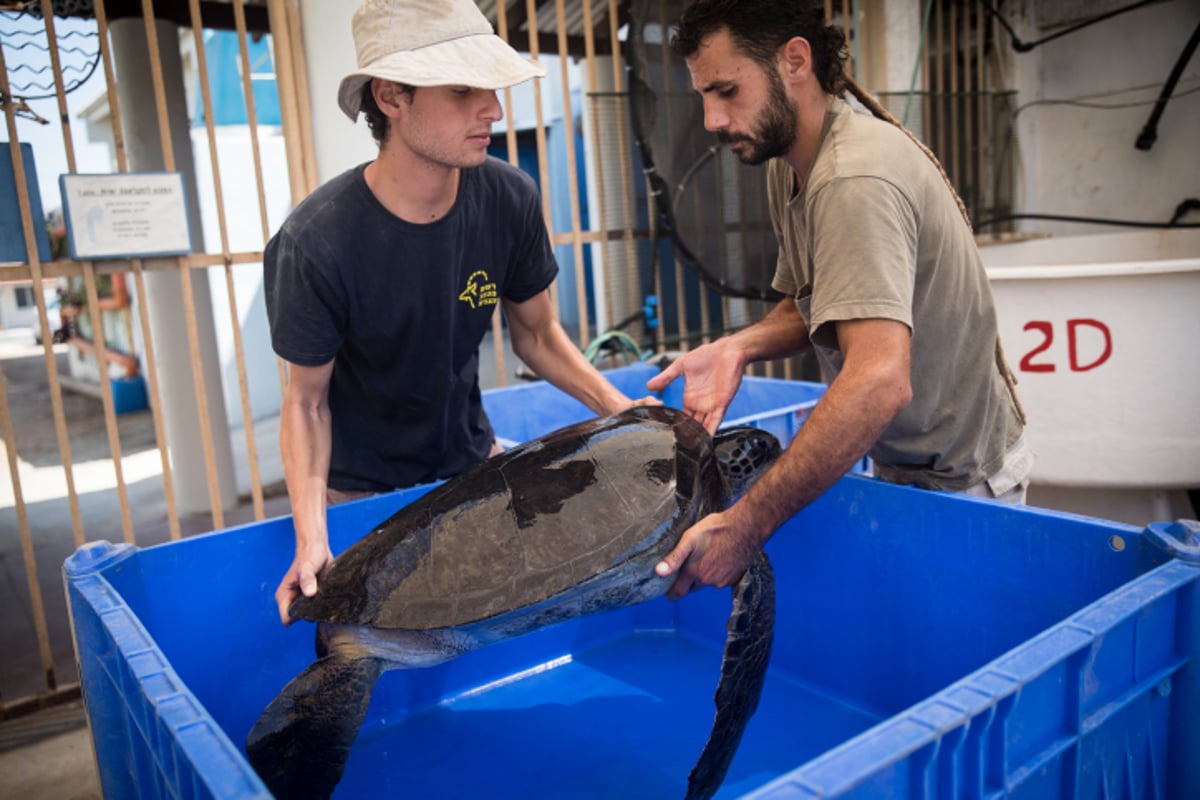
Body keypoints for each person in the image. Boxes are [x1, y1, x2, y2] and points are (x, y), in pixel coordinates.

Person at [264, 0, 655, 625]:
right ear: (391, 96)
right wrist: (313, 538)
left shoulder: (508, 199)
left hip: (471, 470)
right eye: (462, 89)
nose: (494, 110)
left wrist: (625, 411)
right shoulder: (317, 241)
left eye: (491, 89)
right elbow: (306, 403)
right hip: (359, 492)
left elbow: (538, 334)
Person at [649, 0, 1033, 599]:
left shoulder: (853, 179)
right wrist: (736, 347)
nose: (711, 119)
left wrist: (746, 526)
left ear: (794, 61)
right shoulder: (791, 163)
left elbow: (879, 379)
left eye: (726, 90)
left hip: (965, 482)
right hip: (904, 464)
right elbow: (820, 305)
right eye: (703, 95)